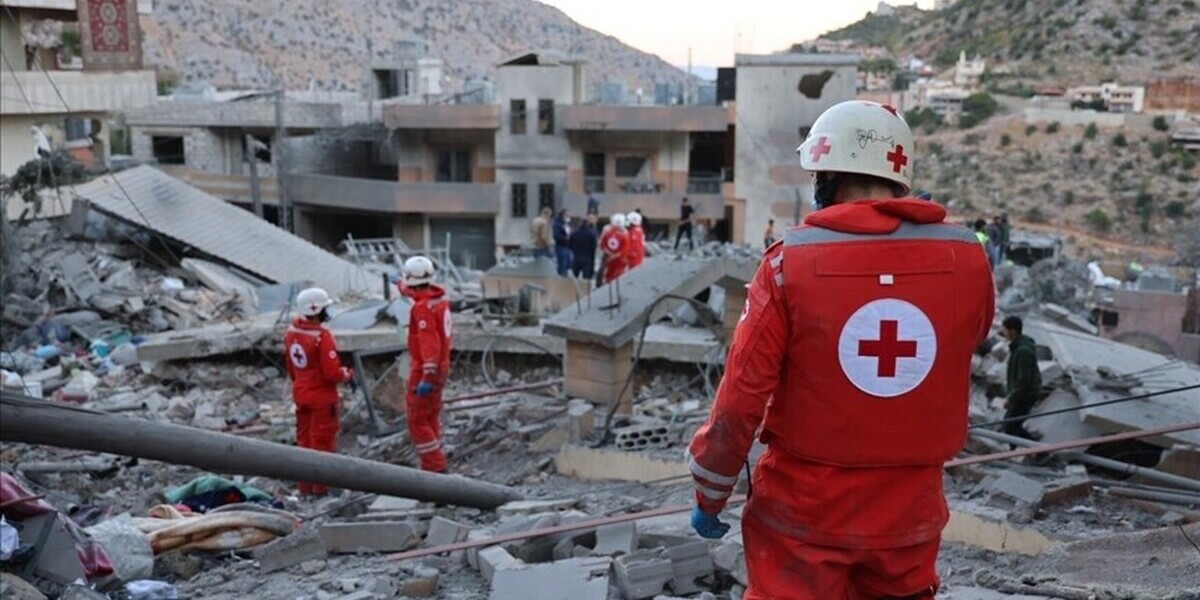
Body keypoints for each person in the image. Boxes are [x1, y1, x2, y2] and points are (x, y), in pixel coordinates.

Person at [686, 100, 994, 599]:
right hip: (910, 515)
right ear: (899, 177)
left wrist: (712, 489)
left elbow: (740, 401)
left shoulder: (789, 265)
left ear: (826, 177)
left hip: (803, 514)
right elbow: (966, 340)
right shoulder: (968, 259)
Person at [284, 287, 354, 496]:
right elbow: (331, 373)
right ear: (318, 310)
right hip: (322, 398)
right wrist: (347, 375)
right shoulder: (321, 337)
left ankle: (305, 487)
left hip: (301, 394)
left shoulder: (291, 333)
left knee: (304, 440)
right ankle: (322, 489)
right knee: (322, 442)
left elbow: (290, 367)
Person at [398, 256, 451, 473]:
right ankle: (435, 468)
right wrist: (401, 286)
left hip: (426, 369)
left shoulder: (422, 309)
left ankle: (436, 470)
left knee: (417, 421)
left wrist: (426, 376)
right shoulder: (438, 301)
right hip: (442, 367)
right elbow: (416, 291)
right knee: (430, 418)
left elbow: (430, 344)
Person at [999, 315, 1042, 445]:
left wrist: (1011, 398)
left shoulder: (1022, 351)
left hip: (1026, 394)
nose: (1004, 333)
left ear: (1013, 331)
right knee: (1010, 424)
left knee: (1011, 425)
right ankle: (1015, 450)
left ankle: (1038, 450)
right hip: (1024, 393)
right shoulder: (1019, 346)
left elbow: (1023, 379)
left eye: (1005, 330)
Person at [599, 212, 629, 284]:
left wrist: (610, 254)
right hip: (619, 260)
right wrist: (614, 256)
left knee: (607, 276)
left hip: (609, 258)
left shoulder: (607, 232)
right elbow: (624, 250)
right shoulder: (625, 235)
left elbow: (602, 245)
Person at [570, 213, 599, 280]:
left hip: (576, 256)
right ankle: (586, 289)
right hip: (587, 257)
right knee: (586, 277)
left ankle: (572, 288)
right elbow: (594, 246)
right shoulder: (591, 234)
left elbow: (570, 244)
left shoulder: (574, 233)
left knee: (575, 275)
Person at [553, 209, 573, 277]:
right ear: (563, 215)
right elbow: (556, 236)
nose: (569, 217)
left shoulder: (566, 224)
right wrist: (565, 238)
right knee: (562, 265)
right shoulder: (557, 224)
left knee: (568, 264)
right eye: (567, 215)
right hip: (561, 246)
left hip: (568, 246)